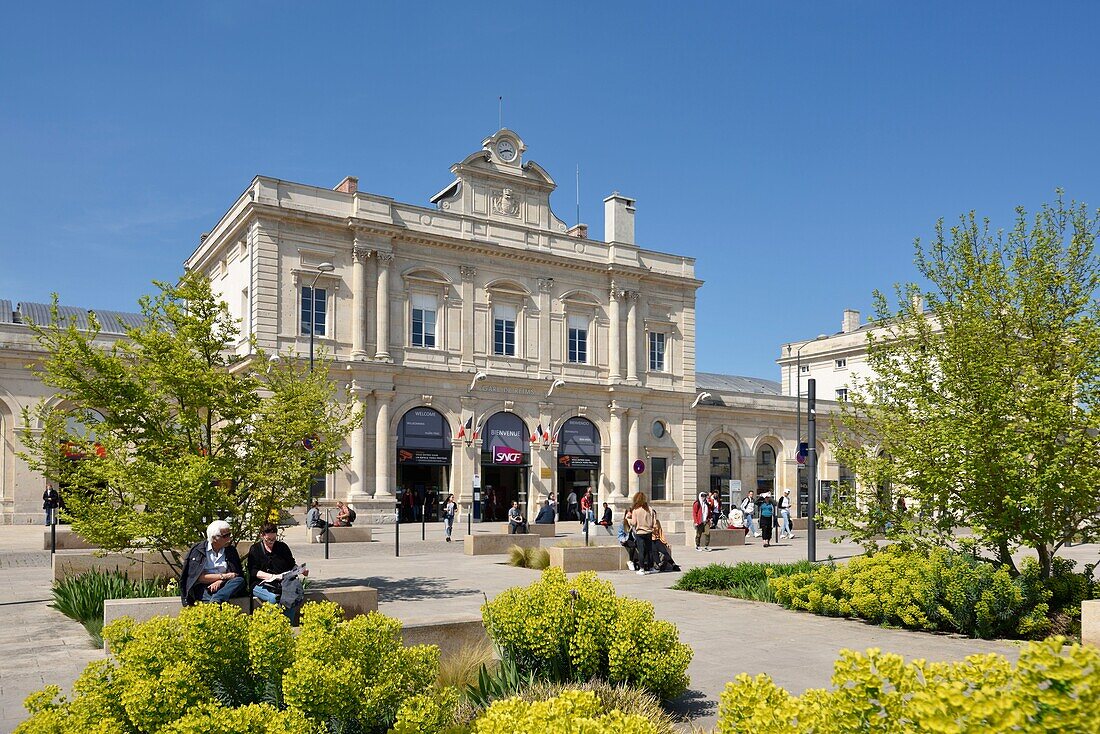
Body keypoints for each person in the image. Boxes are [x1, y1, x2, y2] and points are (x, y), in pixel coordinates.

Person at [247, 522, 309, 624]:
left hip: (282, 582)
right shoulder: (255, 549)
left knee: (291, 596)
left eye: (274, 539)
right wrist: (272, 576)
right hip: (261, 583)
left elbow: (291, 564)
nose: (271, 542)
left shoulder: (282, 547)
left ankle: (288, 625)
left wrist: (301, 570)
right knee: (273, 598)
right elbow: (253, 571)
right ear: (262, 536)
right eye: (268, 539)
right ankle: (272, 625)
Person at [180, 520, 246, 606]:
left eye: (229, 535)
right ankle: (216, 601)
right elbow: (197, 577)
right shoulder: (198, 550)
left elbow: (236, 574)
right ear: (214, 538)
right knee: (212, 603)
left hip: (224, 585)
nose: (229, 539)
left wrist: (220, 581)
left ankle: (217, 599)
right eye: (225, 536)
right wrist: (223, 576)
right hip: (203, 587)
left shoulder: (230, 550)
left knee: (239, 581)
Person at [626, 492, 657, 575]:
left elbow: (633, 522)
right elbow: (654, 521)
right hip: (649, 532)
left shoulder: (636, 511)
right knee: (649, 550)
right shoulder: (650, 509)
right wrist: (652, 527)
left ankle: (642, 568)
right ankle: (651, 567)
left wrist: (628, 518)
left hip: (640, 532)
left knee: (641, 551)